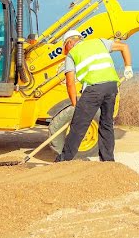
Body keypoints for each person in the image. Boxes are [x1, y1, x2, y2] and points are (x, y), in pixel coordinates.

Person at [54, 29, 134, 163]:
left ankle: (63, 160)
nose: (65, 51)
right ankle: (108, 160)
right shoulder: (99, 42)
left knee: (78, 126)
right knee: (106, 124)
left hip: (94, 90)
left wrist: (75, 105)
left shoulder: (72, 55)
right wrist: (128, 67)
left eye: (65, 47)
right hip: (111, 87)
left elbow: (70, 83)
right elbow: (124, 46)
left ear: (69, 43)